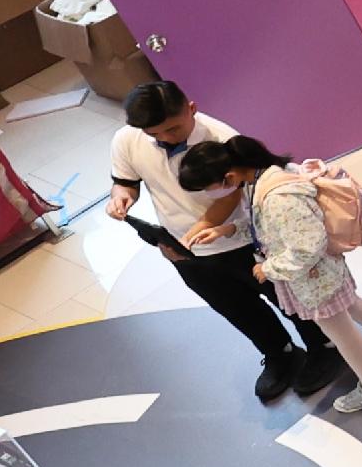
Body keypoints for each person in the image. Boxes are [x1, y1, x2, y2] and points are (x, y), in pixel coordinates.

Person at [109, 80, 340, 404]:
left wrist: (200, 231)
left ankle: (325, 348)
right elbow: (126, 181)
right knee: (235, 308)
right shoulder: (127, 139)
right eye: (154, 134)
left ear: (191, 109)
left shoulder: (222, 140)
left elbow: (229, 196)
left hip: (243, 237)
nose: (164, 138)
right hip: (186, 248)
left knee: (290, 299)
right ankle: (280, 353)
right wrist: (121, 198)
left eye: (172, 129)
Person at [177, 136, 362, 413]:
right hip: (326, 271)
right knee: (355, 306)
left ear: (228, 176)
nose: (208, 196)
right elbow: (271, 229)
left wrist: (268, 269)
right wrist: (227, 230)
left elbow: (306, 246)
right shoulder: (270, 177)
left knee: (342, 335)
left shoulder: (278, 198)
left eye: (205, 189)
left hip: (314, 280)